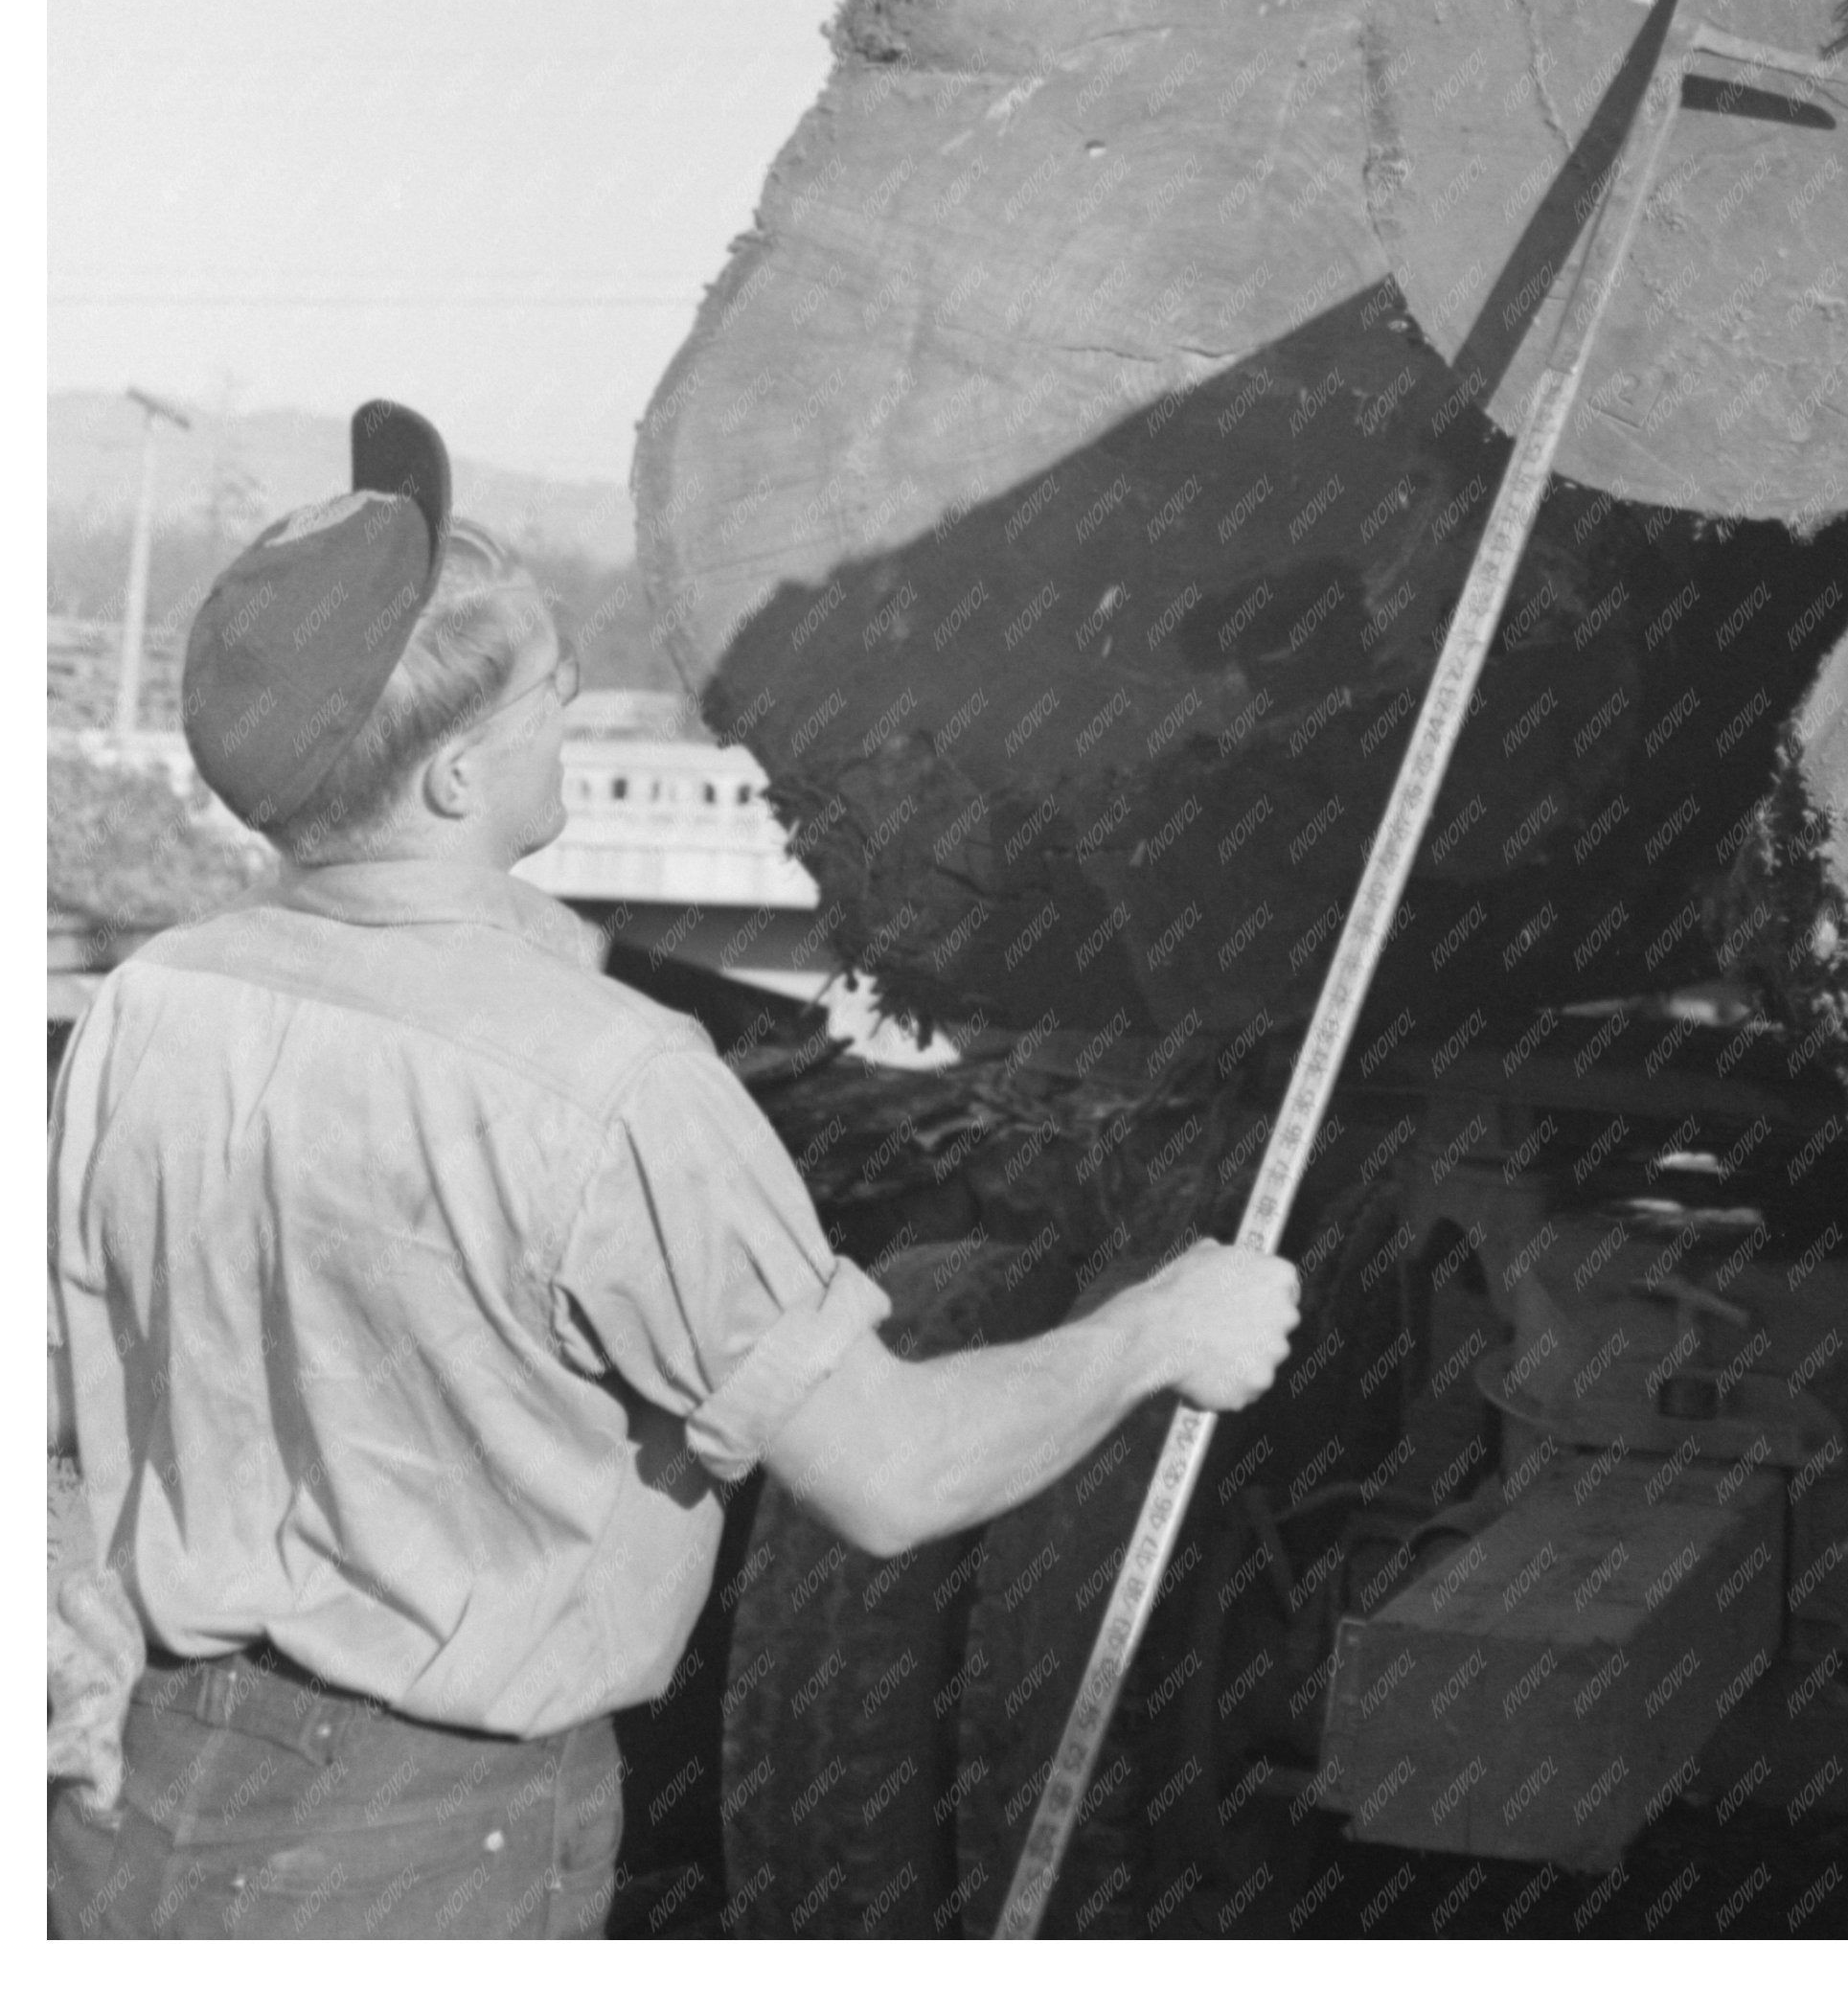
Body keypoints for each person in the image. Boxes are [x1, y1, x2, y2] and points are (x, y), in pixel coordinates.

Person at [48, 401, 1298, 1938]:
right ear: (446, 785)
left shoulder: (150, 1003)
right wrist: (1158, 1329)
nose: (575, 688)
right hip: (431, 1850)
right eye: (539, 692)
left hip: (154, 1798)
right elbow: (892, 1477)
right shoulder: (621, 1088)